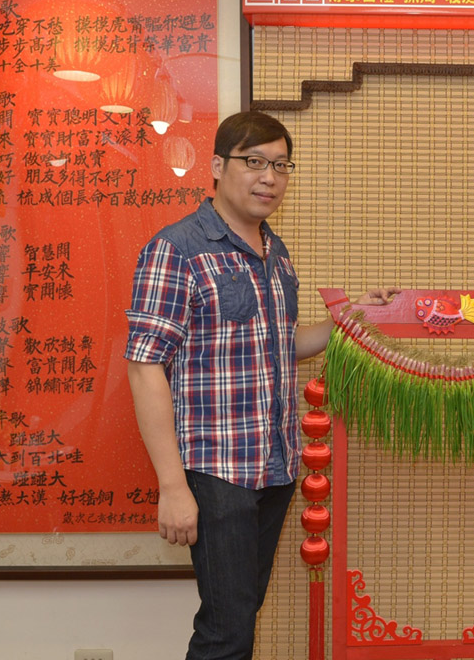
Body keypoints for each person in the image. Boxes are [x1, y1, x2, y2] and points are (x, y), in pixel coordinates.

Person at [124, 111, 398, 660]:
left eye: (280, 165)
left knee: (239, 616)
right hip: (216, 470)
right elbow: (144, 365)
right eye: (254, 162)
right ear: (217, 166)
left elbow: (282, 343)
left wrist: (348, 318)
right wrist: (172, 487)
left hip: (275, 466)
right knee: (226, 634)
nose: (269, 177)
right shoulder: (177, 249)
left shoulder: (277, 253)